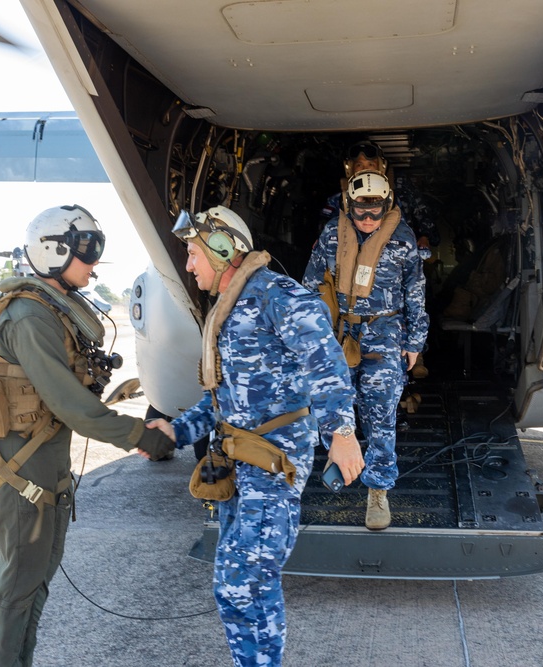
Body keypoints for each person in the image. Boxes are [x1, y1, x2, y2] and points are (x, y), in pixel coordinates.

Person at [148, 206, 363, 667]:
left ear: (222, 249)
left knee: (242, 580)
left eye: (192, 253)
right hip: (236, 461)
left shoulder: (279, 297)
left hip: (273, 462)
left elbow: (326, 364)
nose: (188, 265)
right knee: (237, 586)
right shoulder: (228, 308)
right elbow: (222, 398)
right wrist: (176, 429)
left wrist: (342, 432)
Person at [0, 205, 175, 667]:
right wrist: (140, 434)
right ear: (54, 252)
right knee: (18, 587)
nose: (94, 262)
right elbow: (70, 404)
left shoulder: (49, 309)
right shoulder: (29, 317)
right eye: (87, 252)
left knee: (33, 583)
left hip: (41, 459)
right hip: (21, 465)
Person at [303, 170, 429, 530]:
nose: (369, 219)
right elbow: (311, 286)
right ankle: (340, 462)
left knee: (381, 416)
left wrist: (414, 344)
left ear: (386, 205)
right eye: (361, 212)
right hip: (340, 333)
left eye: (375, 211)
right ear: (349, 207)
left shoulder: (402, 240)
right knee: (332, 407)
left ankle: (377, 492)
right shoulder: (332, 236)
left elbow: (415, 294)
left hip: (385, 335)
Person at [321, 140, 441, 253]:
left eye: (370, 164)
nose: (365, 168)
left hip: (392, 255)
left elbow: (421, 212)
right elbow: (325, 229)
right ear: (350, 167)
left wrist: (425, 237)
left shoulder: (396, 191)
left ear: (380, 166)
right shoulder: (339, 199)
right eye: (359, 164)